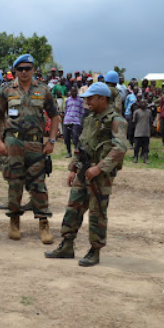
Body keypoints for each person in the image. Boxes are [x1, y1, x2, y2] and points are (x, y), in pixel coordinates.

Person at [45, 82, 127, 267]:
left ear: (102, 99)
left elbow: (120, 148)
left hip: (101, 175)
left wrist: (99, 168)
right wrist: (73, 168)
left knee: (97, 212)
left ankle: (95, 251)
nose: (87, 101)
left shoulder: (116, 120)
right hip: (84, 171)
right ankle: (67, 245)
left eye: (90, 98)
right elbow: (82, 144)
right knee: (73, 207)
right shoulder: (90, 119)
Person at [0, 54, 59, 244]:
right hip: (13, 142)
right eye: (20, 69)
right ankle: (14, 221)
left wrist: (51, 140)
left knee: (39, 184)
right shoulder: (6, 91)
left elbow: (54, 116)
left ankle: (44, 223)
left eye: (27, 68)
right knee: (14, 182)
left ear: (34, 69)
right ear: (15, 71)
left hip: (36, 144)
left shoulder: (44, 90)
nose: (24, 72)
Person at [63, 86, 85, 158]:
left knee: (75, 137)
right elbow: (65, 110)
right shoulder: (67, 100)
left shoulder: (81, 100)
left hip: (76, 121)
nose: (74, 93)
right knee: (66, 138)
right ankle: (69, 153)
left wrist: (81, 121)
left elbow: (82, 112)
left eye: (75, 91)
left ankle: (77, 151)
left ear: (77, 92)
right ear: (70, 92)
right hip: (67, 120)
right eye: (72, 91)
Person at [132, 99, 152, 163]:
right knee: (136, 146)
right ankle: (135, 157)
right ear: (139, 104)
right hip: (138, 132)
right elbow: (134, 122)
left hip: (146, 132)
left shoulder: (149, 112)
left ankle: (145, 158)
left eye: (145, 102)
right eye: (142, 102)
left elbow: (150, 121)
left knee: (146, 147)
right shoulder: (136, 112)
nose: (143, 104)